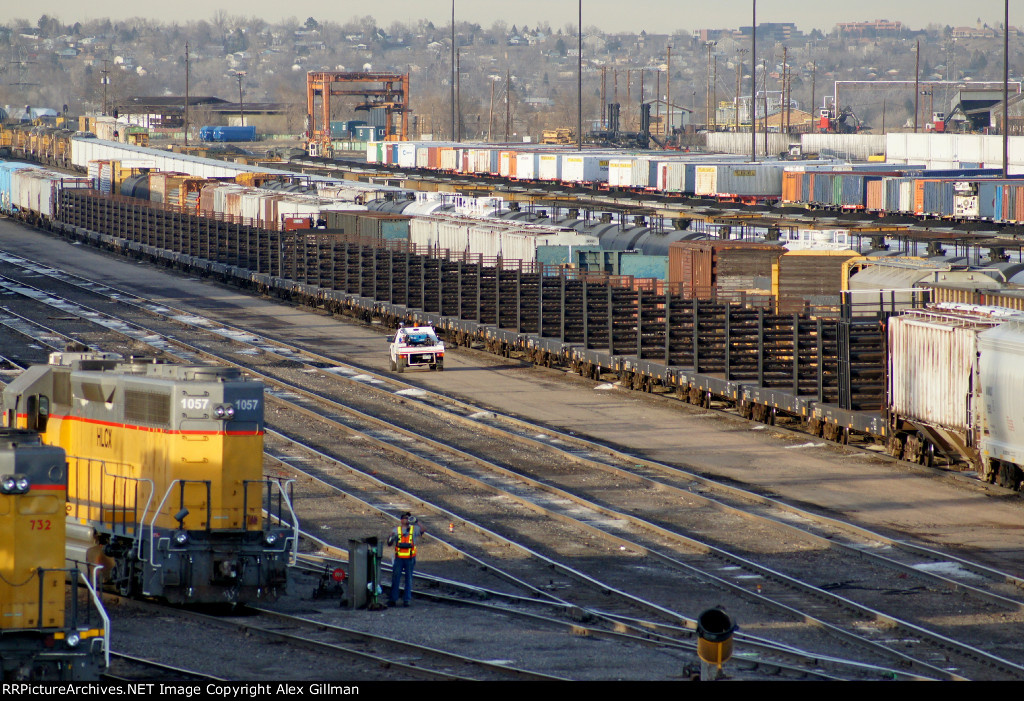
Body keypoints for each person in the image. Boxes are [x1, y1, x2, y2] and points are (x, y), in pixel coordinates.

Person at [387, 512, 427, 607]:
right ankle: (393, 599)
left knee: (408, 579)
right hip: (399, 559)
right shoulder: (396, 530)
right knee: (396, 579)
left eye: (408, 518)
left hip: (410, 558)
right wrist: (390, 537)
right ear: (401, 520)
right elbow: (389, 543)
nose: (407, 520)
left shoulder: (414, 529)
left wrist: (416, 521)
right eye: (405, 518)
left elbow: (424, 529)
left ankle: (407, 600)